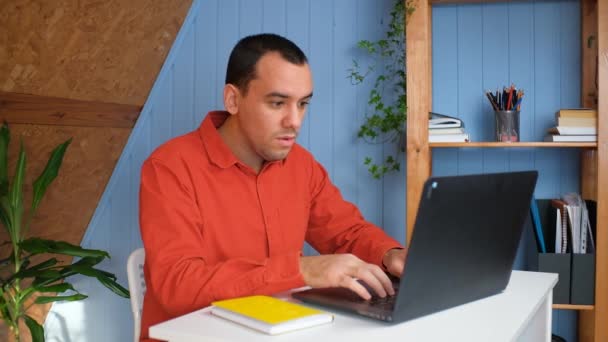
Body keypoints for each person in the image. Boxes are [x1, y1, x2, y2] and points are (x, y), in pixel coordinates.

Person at [138, 33, 406, 341]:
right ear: (233, 99)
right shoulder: (170, 167)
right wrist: (302, 271)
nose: (294, 121)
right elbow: (178, 285)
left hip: (275, 332)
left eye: (303, 104)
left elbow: (346, 232)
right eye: (277, 103)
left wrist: (390, 254)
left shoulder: (302, 165)